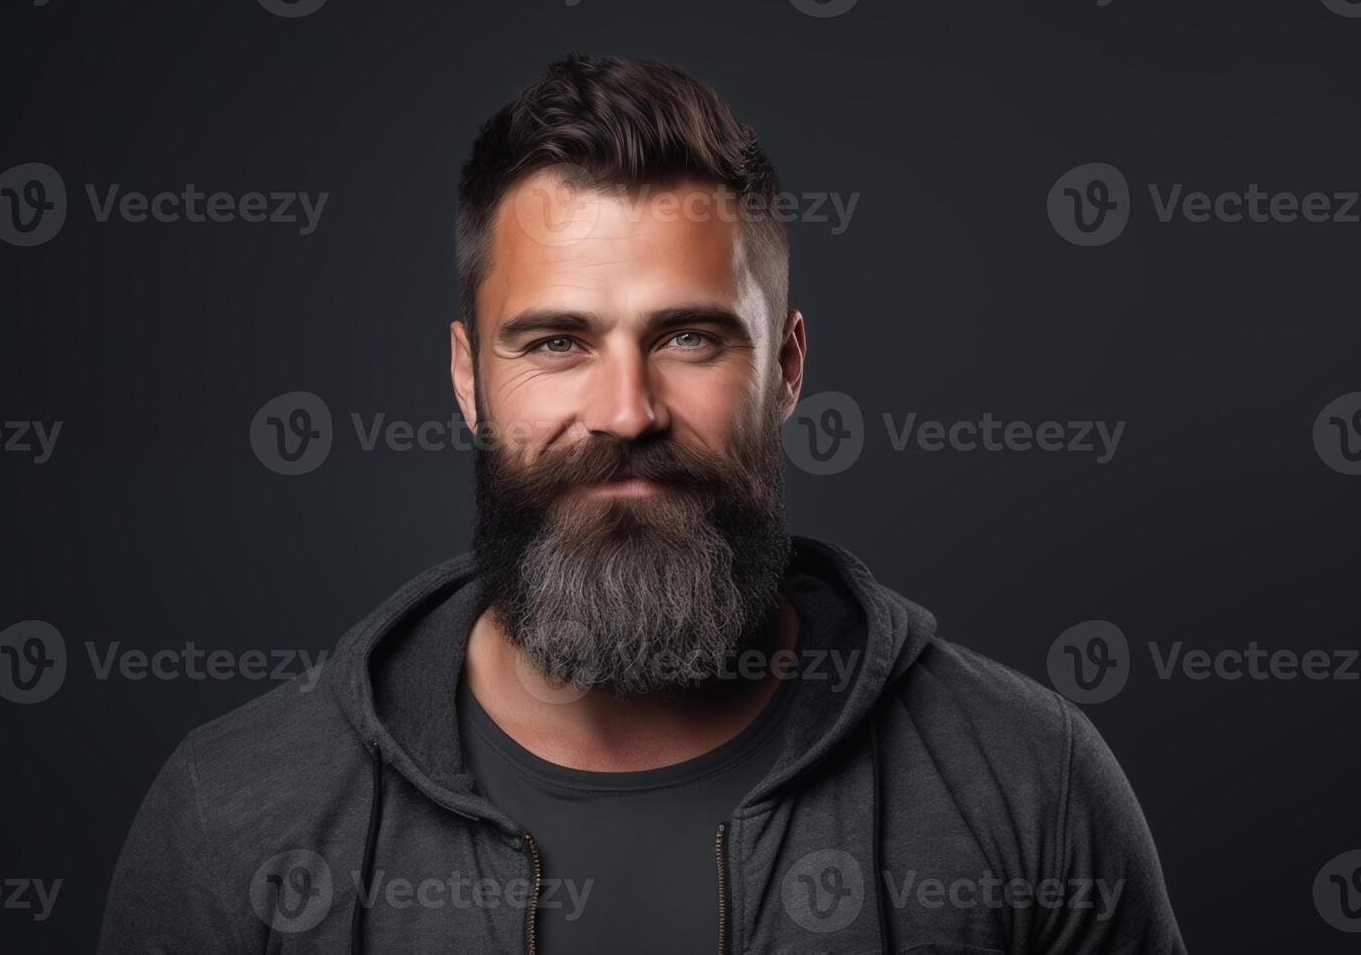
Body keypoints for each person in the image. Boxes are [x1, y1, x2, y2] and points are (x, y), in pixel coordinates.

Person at [98, 54, 1186, 954]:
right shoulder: (236, 815)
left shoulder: (1027, 783)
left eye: (689, 336)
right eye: (558, 341)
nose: (626, 410)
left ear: (788, 366)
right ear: (470, 375)